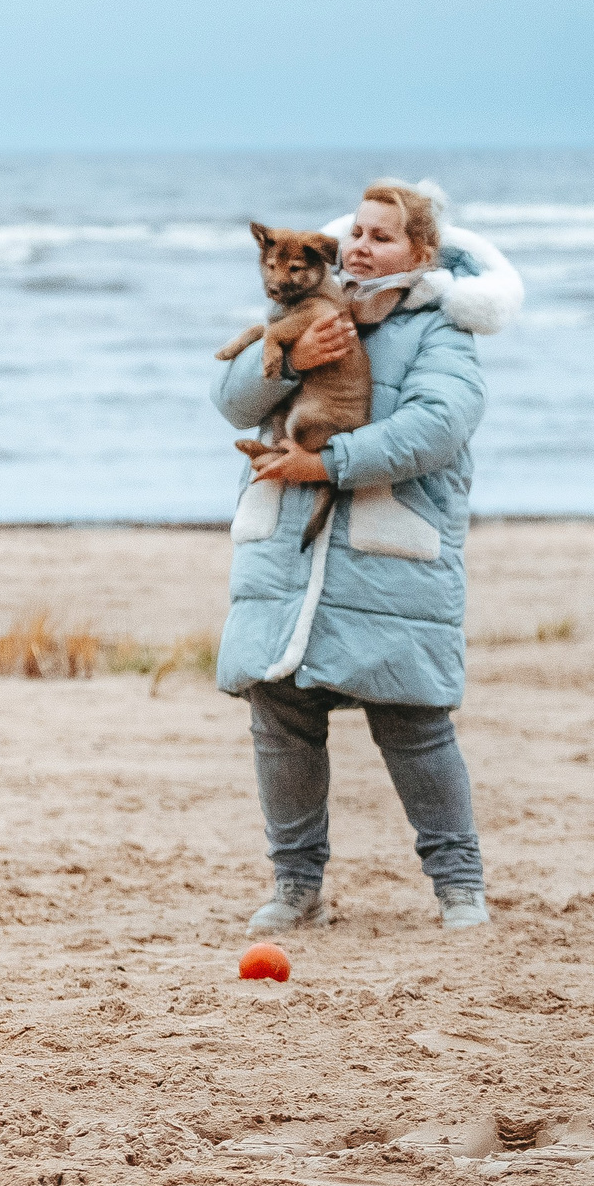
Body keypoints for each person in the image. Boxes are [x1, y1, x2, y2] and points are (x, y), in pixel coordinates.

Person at [212, 178, 522, 934]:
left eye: (382, 237)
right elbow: (230, 399)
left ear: (422, 252)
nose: (361, 247)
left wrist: (330, 464)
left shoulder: (440, 331)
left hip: (390, 552)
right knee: (280, 716)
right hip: (287, 551)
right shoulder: (306, 309)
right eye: (356, 231)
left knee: (413, 723)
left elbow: (438, 426)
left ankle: (459, 888)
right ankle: (296, 887)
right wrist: (290, 361)